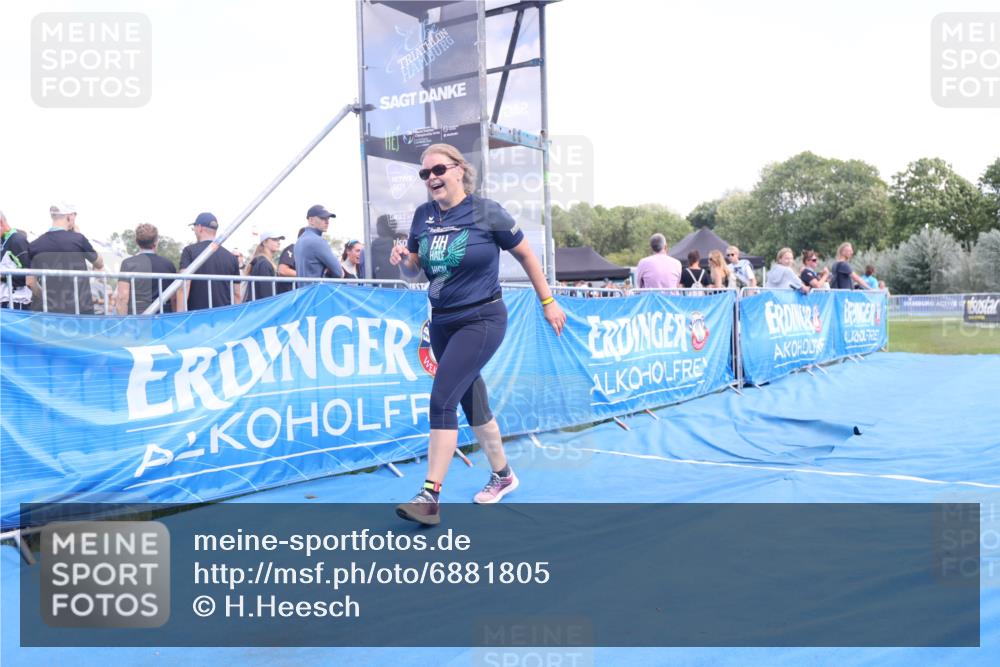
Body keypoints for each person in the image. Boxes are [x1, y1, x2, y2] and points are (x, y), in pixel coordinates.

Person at [390, 143, 566, 525]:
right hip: (442, 322)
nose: (431, 178)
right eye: (424, 174)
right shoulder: (423, 216)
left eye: (438, 170)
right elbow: (416, 270)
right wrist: (406, 260)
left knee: (442, 399)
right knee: (473, 405)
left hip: (482, 319)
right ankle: (503, 475)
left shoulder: (486, 211)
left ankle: (429, 496)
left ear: (458, 170)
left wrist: (548, 300)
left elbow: (526, 256)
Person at [27, 203, 104, 314]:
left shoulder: (34, 245)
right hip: (79, 309)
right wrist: (79, 234)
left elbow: (30, 282)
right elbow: (99, 263)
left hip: (46, 311)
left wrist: (47, 299)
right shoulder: (78, 239)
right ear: (69, 216)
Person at [178, 212, 241, 310]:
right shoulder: (231, 257)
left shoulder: (189, 251)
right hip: (223, 317)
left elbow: (183, 287)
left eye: (194, 228)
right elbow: (237, 293)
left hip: (196, 316)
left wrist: (179, 318)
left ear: (199, 228)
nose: (194, 231)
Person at [115, 223, 178, 314]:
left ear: (136, 241)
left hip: (137, 317)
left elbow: (122, 297)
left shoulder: (128, 264)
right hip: (163, 317)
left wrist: (123, 323)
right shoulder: (168, 264)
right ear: (156, 242)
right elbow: (174, 299)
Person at [294, 205, 344, 279]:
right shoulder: (318, 241)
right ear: (311, 220)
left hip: (304, 289)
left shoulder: (299, 241)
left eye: (328, 218)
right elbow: (339, 273)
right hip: (318, 289)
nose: (327, 222)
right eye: (323, 218)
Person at [0, 210, 32, 310]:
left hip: (17, 302)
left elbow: (27, 276)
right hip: (5, 300)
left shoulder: (17, 240)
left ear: (0, 222)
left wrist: (2, 277)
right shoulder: (4, 241)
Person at [243, 230, 284, 301]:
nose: (278, 242)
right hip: (262, 308)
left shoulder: (261, 261)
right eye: (274, 239)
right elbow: (266, 294)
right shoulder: (263, 263)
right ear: (264, 242)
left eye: (279, 240)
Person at [274, 227, 305, 294]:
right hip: (287, 297)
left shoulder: (306, 253)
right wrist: (306, 275)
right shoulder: (293, 248)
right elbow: (283, 270)